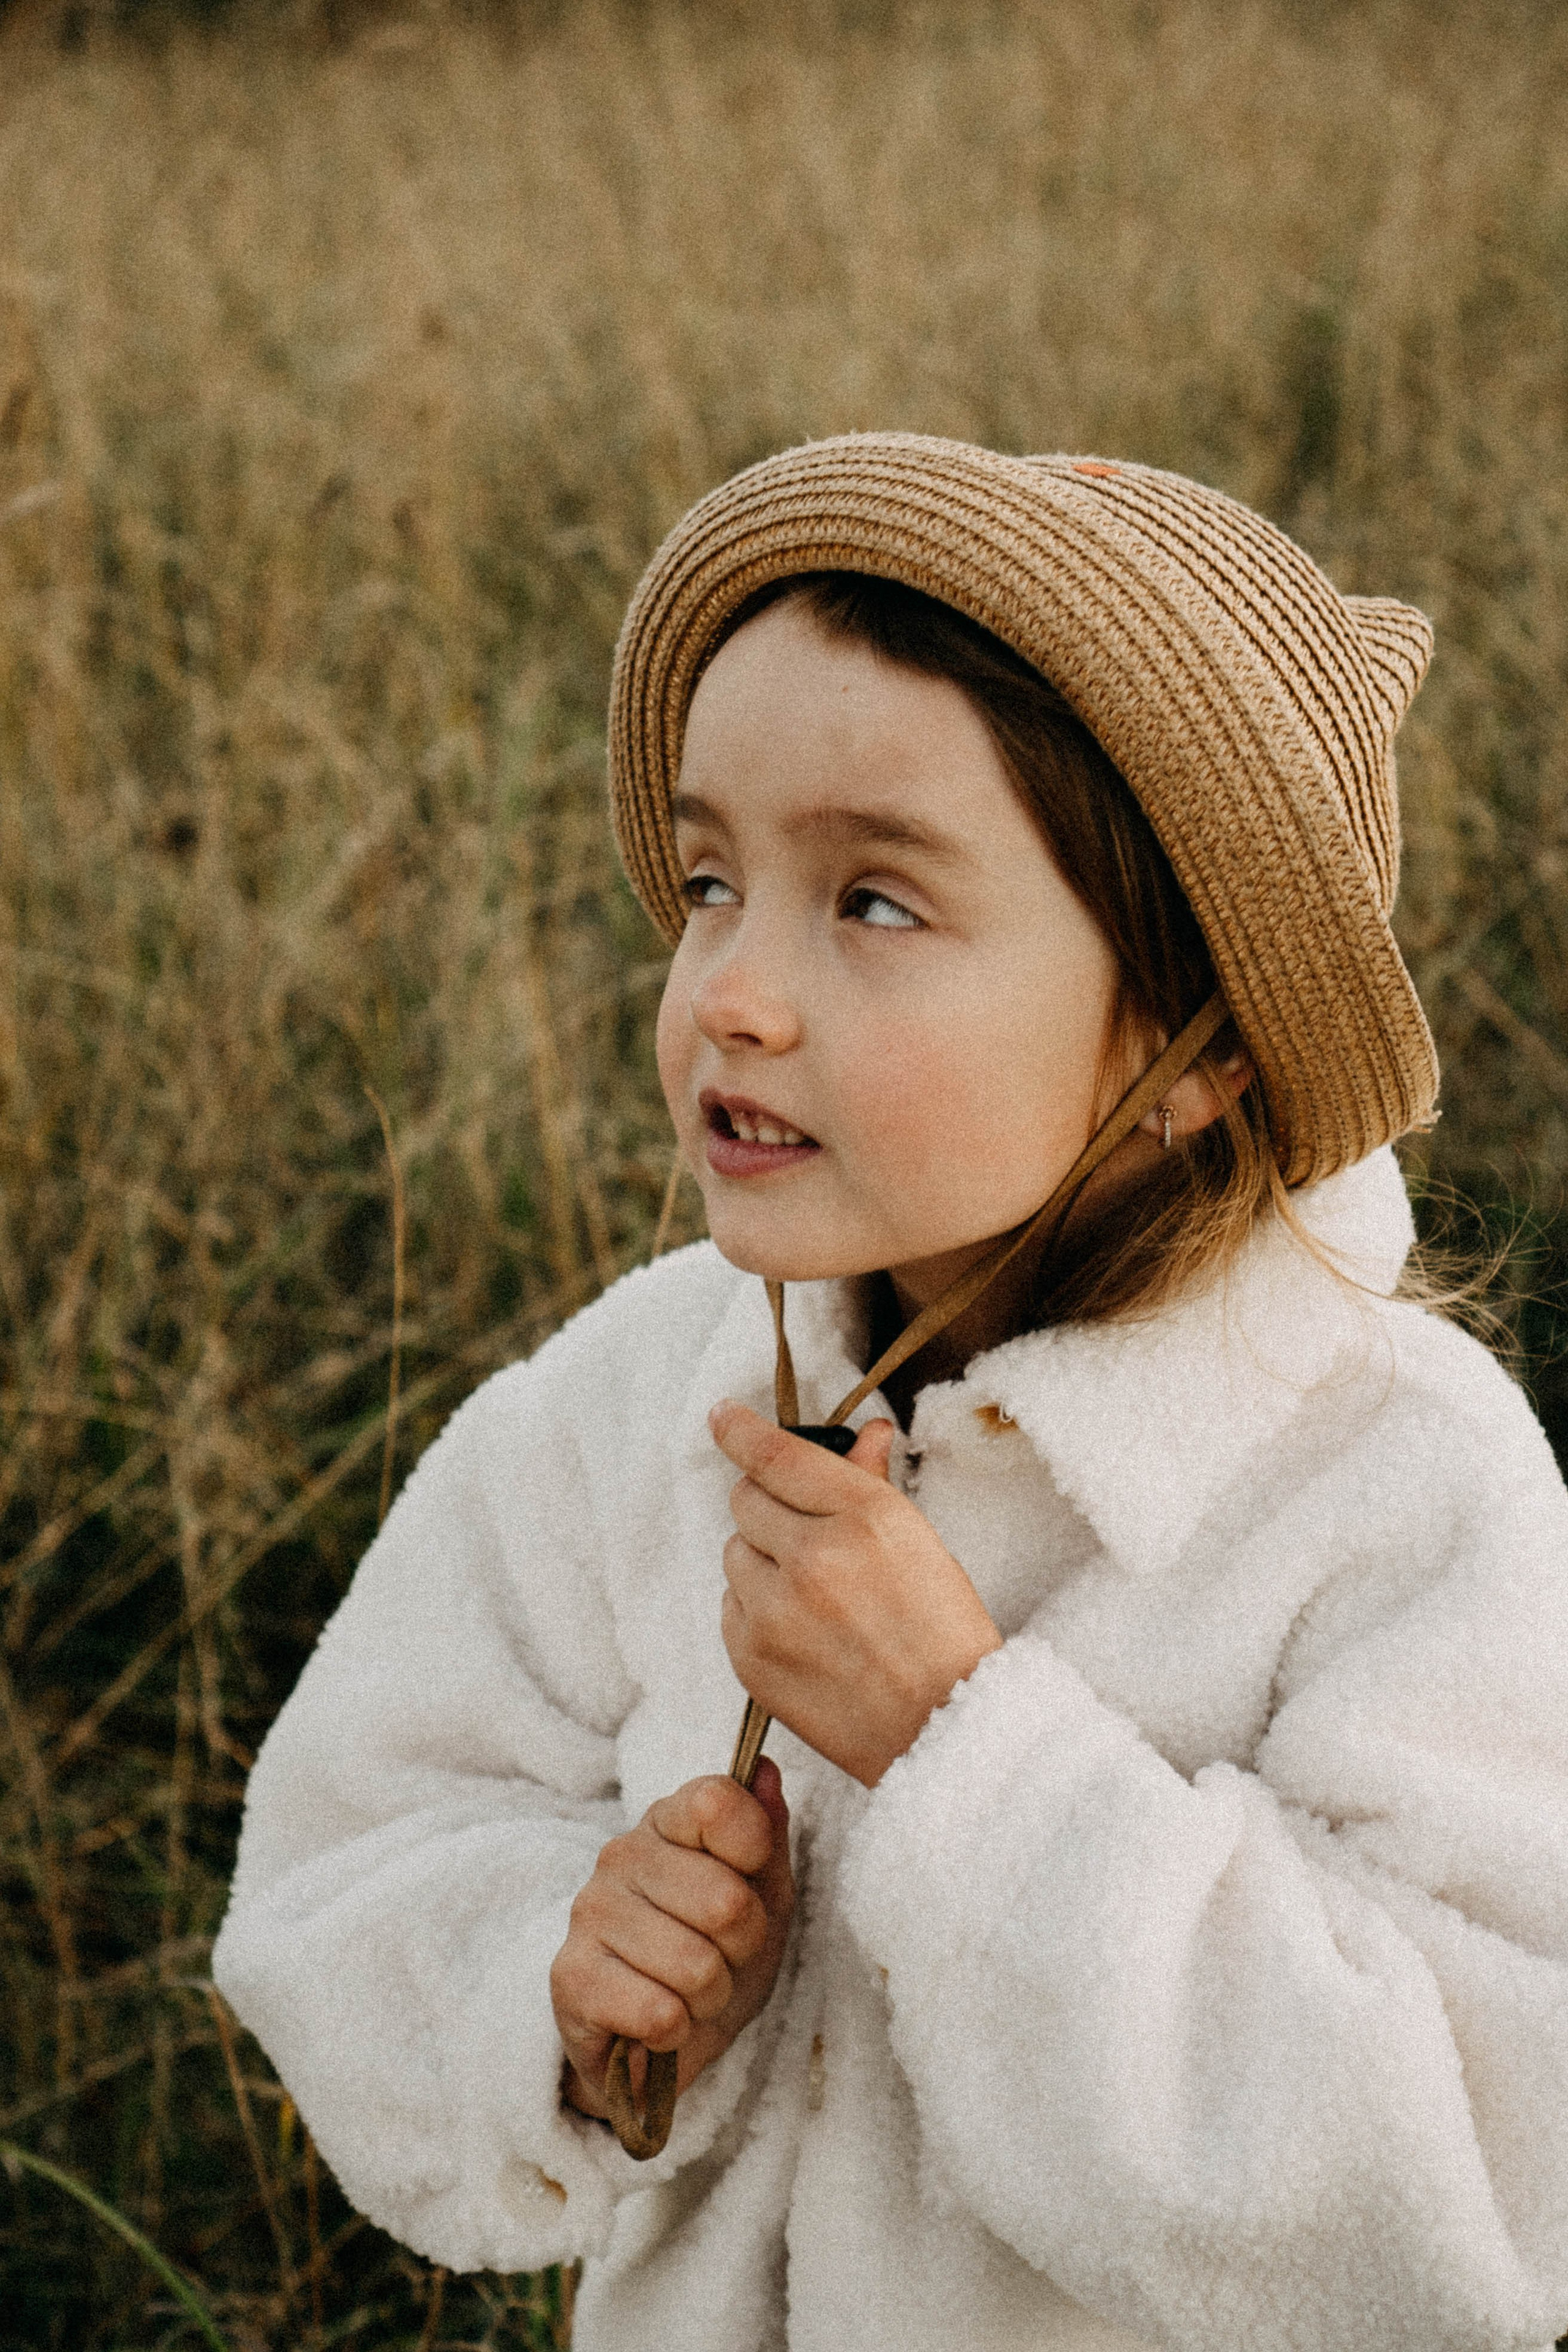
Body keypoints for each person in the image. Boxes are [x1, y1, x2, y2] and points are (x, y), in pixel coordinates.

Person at [213, 435, 1568, 2352]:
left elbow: (1492, 2181)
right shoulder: (643, 1395)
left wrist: (961, 1741)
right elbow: (357, 1843)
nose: (733, 993)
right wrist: (571, 1987)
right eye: (707, 879)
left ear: (1197, 1047)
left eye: (874, 903)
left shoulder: (1395, 1484)